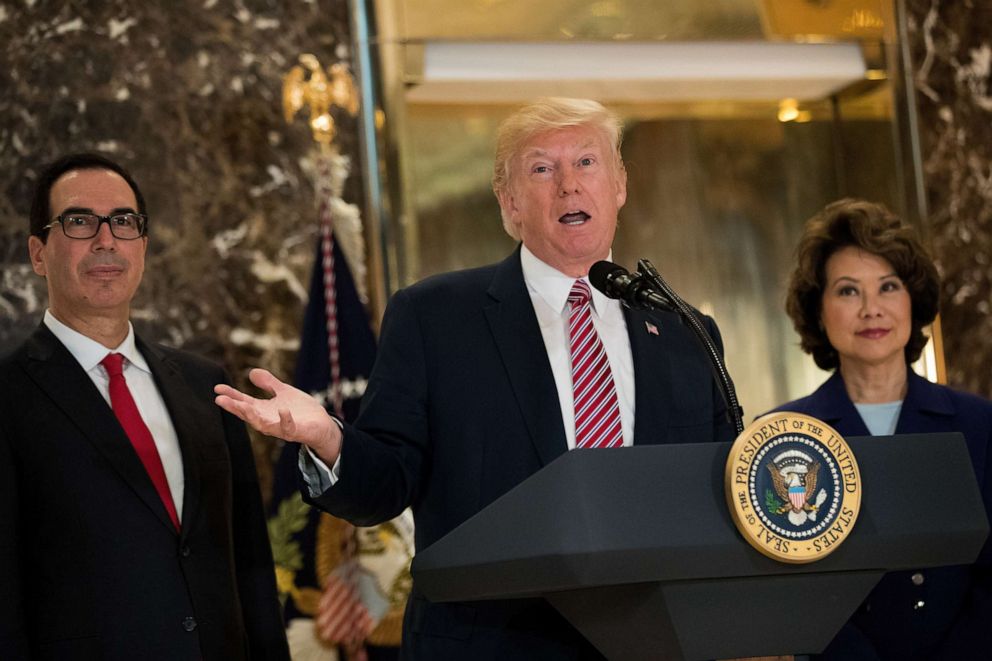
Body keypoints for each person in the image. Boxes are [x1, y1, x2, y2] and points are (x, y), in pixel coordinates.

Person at [215, 97, 735, 659]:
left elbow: (714, 491)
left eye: (586, 162)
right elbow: (388, 480)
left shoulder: (685, 328)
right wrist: (328, 439)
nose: (568, 185)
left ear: (619, 184)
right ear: (509, 203)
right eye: (542, 168)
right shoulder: (435, 316)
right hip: (492, 643)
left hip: (656, 643)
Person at [0, 153, 291, 660]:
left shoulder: (206, 385)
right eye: (79, 221)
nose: (106, 239)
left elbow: (249, 565)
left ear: (144, 246)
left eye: (124, 221)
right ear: (38, 253)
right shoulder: (7, 395)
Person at [769, 198, 992, 660]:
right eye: (848, 291)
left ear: (914, 300)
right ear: (818, 310)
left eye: (888, 287)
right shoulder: (782, 435)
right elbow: (789, 591)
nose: (872, 309)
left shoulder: (980, 425)